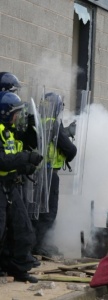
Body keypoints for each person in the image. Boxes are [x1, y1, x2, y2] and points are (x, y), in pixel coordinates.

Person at [0, 91, 43, 283]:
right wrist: (26, 158)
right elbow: (2, 160)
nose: (17, 116)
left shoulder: (8, 130)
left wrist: (25, 167)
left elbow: (12, 156)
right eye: (15, 112)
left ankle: (19, 269)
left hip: (10, 186)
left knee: (23, 228)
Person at [31, 93, 77, 257]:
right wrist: (67, 136)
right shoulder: (53, 124)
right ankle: (42, 245)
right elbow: (71, 150)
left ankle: (39, 243)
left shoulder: (38, 120)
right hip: (50, 174)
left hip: (37, 173)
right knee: (49, 210)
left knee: (38, 210)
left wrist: (65, 131)